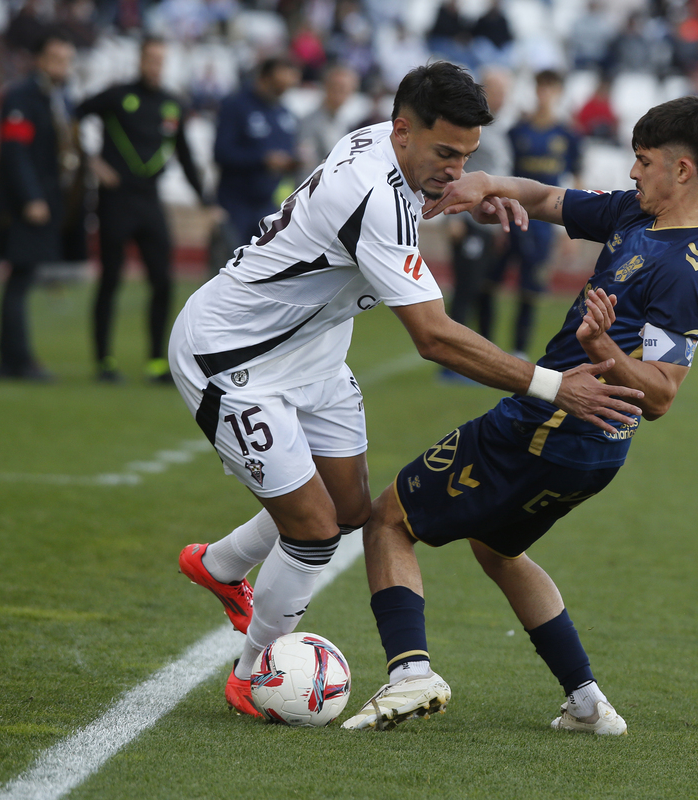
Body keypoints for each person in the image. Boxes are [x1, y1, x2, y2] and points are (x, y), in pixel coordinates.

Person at [170, 62, 643, 719]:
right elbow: (434, 337)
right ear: (403, 131)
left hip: (313, 353)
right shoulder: (370, 194)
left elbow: (412, 197)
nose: (455, 168)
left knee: (351, 508)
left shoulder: (381, 145)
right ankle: (253, 673)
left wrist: (469, 195)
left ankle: (220, 567)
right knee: (313, 533)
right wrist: (551, 386)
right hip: (232, 360)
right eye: (446, 153)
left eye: (467, 156)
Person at [342, 94, 698, 734]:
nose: (632, 173)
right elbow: (551, 201)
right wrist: (490, 184)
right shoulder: (638, 215)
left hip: (549, 426)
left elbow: (662, 394)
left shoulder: (690, 270)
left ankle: (409, 675)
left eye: (642, 161)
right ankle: (586, 703)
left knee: (388, 517)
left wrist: (603, 349)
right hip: (591, 450)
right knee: (497, 548)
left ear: (683, 170)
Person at [75, 36, 212, 384]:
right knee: (110, 278)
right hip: (115, 199)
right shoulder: (117, 95)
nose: (155, 65)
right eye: (150, 58)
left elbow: (185, 155)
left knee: (162, 281)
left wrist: (205, 200)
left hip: (150, 199)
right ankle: (104, 361)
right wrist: (91, 161)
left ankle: (156, 361)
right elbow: (73, 115)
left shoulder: (172, 104)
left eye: (160, 60)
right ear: (140, 59)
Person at [0, 31, 84, 382]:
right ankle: (18, 360)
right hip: (24, 206)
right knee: (20, 278)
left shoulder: (60, 97)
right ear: (41, 60)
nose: (62, 66)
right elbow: (16, 155)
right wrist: (31, 197)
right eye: (56, 59)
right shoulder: (21, 97)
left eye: (67, 59)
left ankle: (8, 360)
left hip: (47, 202)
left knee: (21, 278)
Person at [477, 69, 581, 358]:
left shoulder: (567, 135)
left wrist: (573, 230)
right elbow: (502, 173)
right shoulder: (517, 131)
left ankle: (519, 350)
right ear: (535, 90)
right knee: (489, 282)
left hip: (543, 223)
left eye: (551, 88)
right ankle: (485, 347)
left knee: (530, 288)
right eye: (541, 87)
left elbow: (577, 180)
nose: (545, 94)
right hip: (509, 217)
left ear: (559, 93)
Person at [442, 67, 511, 353]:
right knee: (466, 287)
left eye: (505, 92)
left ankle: (484, 352)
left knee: (485, 288)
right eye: (496, 91)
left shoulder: (500, 128)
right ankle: (450, 355)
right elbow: (453, 170)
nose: (502, 97)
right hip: (468, 219)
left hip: (489, 224)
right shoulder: (469, 126)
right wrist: (452, 218)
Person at [213, 56, 301, 248]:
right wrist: (262, 160)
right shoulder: (235, 105)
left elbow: (286, 154)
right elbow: (221, 153)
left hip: (268, 204)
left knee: (261, 271)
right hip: (235, 202)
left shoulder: (284, 114)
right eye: (279, 85)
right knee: (229, 263)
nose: (283, 90)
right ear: (264, 78)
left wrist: (294, 161)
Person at [296, 64, 365, 176]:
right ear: (325, 87)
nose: (339, 93)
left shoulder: (345, 122)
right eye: (335, 87)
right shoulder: (310, 122)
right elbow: (306, 164)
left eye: (344, 89)